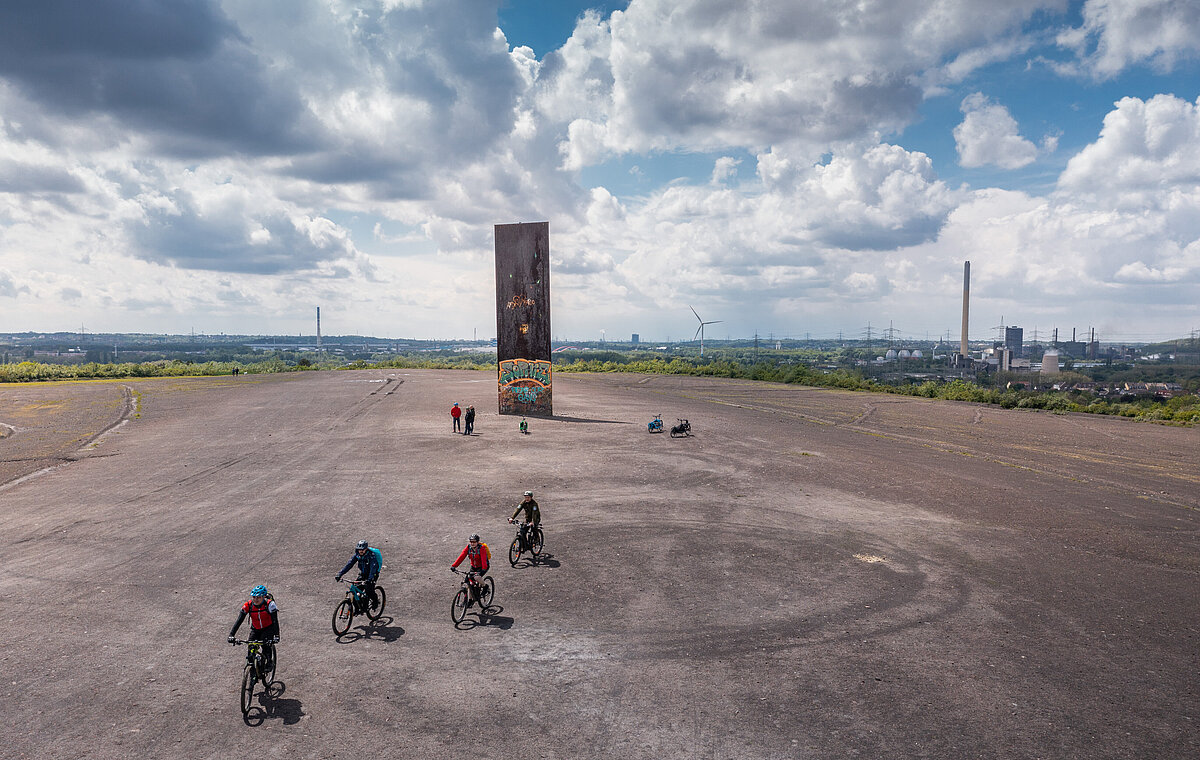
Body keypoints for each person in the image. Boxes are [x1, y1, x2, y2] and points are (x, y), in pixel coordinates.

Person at [227, 585, 279, 670]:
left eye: (258, 597)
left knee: (266, 645)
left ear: (264, 597)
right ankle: (252, 672)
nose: (256, 599)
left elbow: (275, 621)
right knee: (251, 648)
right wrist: (231, 635)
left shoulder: (270, 605)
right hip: (255, 629)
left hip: (268, 628)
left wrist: (276, 636)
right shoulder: (248, 605)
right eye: (254, 597)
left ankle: (269, 662)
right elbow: (239, 621)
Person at [335, 539, 381, 609]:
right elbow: (349, 564)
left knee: (369, 590)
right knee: (355, 590)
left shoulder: (371, 556)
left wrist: (370, 579)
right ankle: (358, 608)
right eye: (359, 549)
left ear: (366, 549)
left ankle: (375, 601)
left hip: (372, 575)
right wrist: (340, 574)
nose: (361, 551)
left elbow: (373, 568)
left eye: (363, 549)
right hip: (363, 574)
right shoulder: (357, 555)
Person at [450, 533, 490, 600]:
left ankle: (485, 586)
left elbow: (483, 560)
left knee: (477, 577)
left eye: (474, 542)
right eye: (471, 542)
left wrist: (483, 569)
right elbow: (462, 556)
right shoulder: (468, 548)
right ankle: (470, 600)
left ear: (477, 542)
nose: (472, 543)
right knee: (469, 582)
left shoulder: (481, 548)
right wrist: (454, 566)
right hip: (474, 567)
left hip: (483, 566)